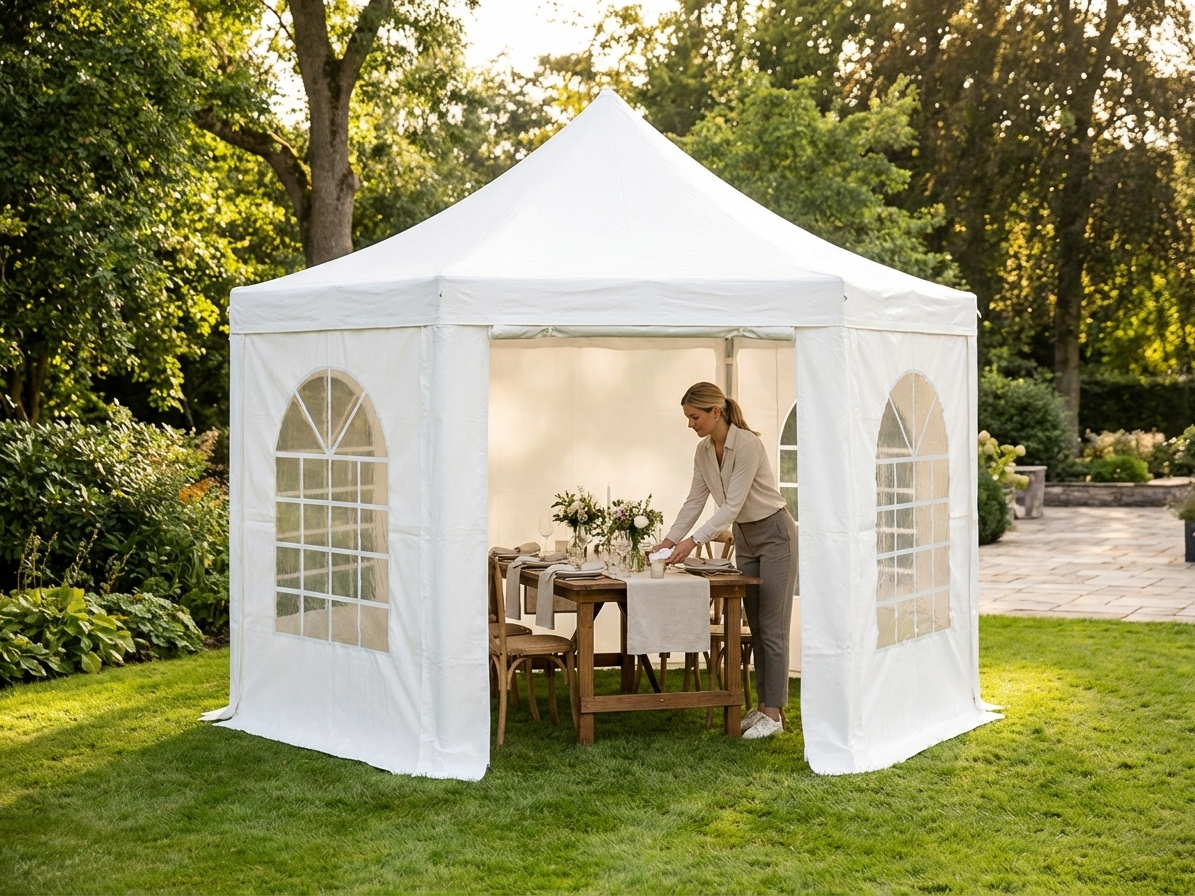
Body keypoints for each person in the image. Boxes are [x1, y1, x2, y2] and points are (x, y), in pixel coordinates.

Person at [650, 381, 799, 740]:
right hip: (745, 538)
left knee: (773, 628)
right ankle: (764, 707)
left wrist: (693, 541)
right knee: (757, 627)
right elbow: (694, 501)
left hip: (776, 535)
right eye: (688, 418)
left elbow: (732, 505)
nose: (690, 424)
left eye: (695, 417)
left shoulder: (747, 444)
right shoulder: (703, 451)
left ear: (715, 412)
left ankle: (773, 715)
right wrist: (669, 541)